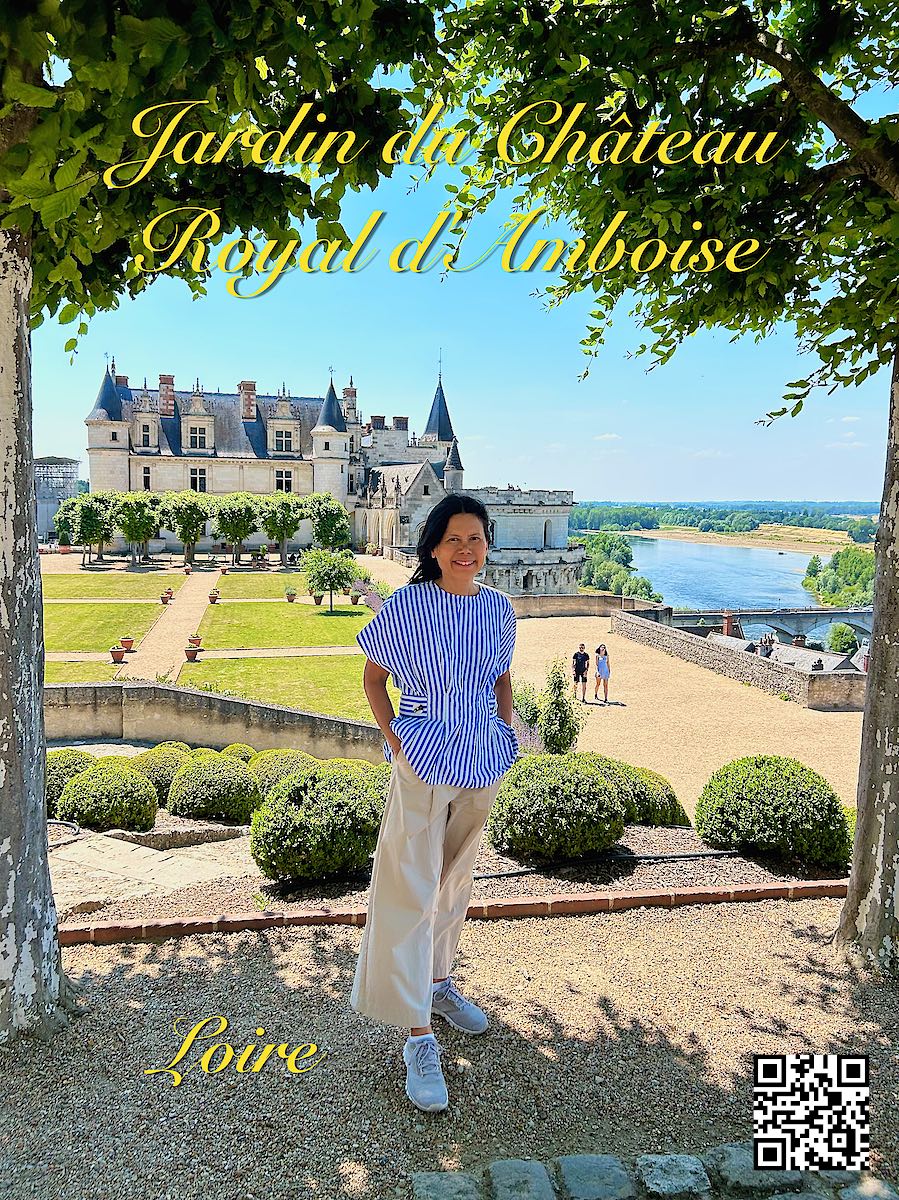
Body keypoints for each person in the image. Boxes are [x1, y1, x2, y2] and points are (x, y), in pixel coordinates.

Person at [350, 494, 519, 1114]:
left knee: (454, 885)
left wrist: (507, 729)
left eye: (476, 538)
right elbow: (373, 677)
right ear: (433, 546)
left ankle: (438, 982)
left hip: (485, 758)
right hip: (423, 759)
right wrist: (394, 735)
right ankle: (416, 1031)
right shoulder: (407, 605)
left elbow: (501, 678)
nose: (467, 549)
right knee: (410, 888)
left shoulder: (500, 609)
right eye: (455, 538)